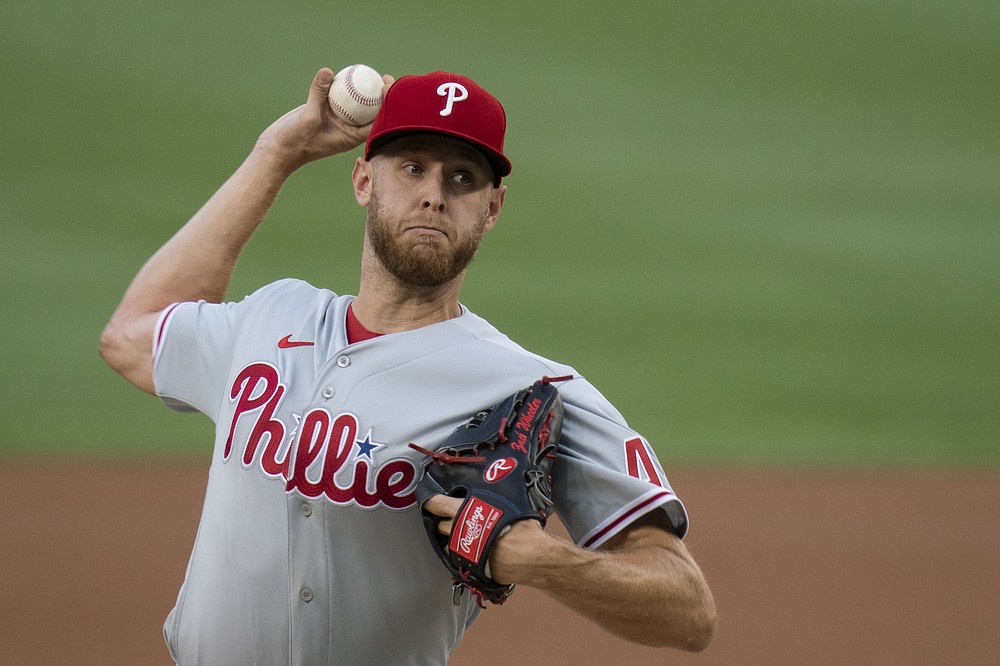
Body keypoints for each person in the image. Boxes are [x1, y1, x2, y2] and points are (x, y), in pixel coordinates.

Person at [100, 66, 716, 664]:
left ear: (493, 207)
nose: (433, 194)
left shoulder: (532, 387)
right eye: (413, 168)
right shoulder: (269, 319)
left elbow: (689, 610)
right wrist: (277, 153)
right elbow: (131, 336)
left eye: (462, 179)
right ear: (364, 180)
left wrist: (542, 561)